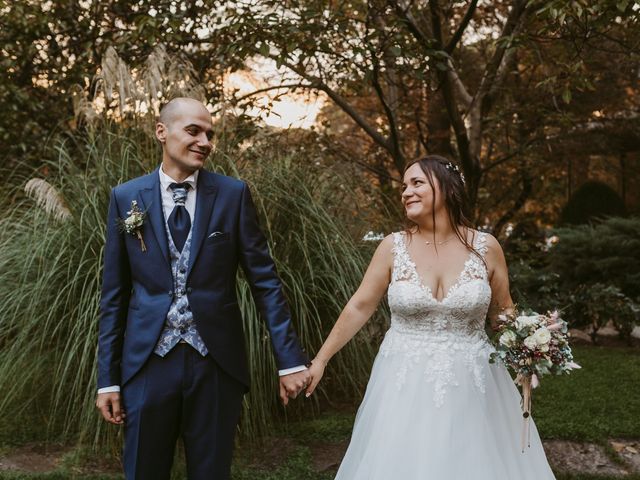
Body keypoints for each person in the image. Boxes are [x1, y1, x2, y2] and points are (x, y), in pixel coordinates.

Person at [95, 97, 310, 480]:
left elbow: (264, 281)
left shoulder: (232, 194)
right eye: (193, 130)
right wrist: (107, 379)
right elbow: (113, 296)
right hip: (146, 364)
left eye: (210, 134)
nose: (205, 141)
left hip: (215, 363)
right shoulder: (126, 197)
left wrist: (289, 360)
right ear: (162, 132)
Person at [305, 155, 556, 479]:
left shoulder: (486, 247)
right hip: (403, 380)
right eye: (404, 186)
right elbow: (360, 306)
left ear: (446, 188)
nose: (406, 192)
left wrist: (532, 339)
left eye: (416, 183)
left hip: (475, 381)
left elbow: (502, 313)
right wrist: (322, 359)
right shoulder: (392, 247)